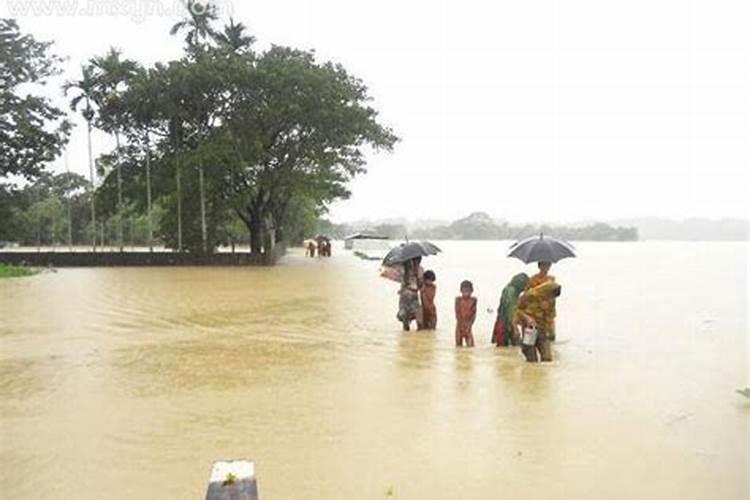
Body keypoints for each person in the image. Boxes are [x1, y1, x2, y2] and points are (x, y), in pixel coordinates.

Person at [513, 281, 561, 362]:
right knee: (531, 359)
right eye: (550, 296)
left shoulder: (552, 300)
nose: (550, 299)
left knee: (547, 359)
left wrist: (551, 329)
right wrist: (527, 318)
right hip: (529, 329)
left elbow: (551, 316)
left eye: (553, 297)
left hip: (543, 329)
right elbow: (517, 310)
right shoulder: (530, 295)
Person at [492, 273, 529, 346]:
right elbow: (511, 311)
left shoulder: (509, 289)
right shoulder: (512, 292)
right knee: (503, 348)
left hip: (503, 322)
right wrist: (515, 328)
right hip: (504, 323)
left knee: (506, 350)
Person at [527, 261, 557, 340]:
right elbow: (528, 295)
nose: (545, 268)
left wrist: (549, 304)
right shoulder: (532, 279)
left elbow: (554, 294)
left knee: (549, 337)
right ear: (539, 266)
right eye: (543, 265)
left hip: (548, 310)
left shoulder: (552, 279)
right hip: (536, 310)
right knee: (533, 337)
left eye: (547, 265)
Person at [397, 257, 423, 331]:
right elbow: (420, 285)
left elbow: (399, 279)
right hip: (411, 295)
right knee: (416, 319)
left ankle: (407, 337)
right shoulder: (418, 269)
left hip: (405, 295)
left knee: (408, 318)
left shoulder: (404, 269)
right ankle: (417, 337)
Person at [454, 280, 477, 347]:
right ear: (461, 291)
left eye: (468, 291)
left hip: (468, 326)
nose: (466, 293)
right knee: (458, 348)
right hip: (459, 327)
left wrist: (469, 325)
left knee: (471, 348)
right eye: (464, 291)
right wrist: (461, 326)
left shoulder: (474, 300)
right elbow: (457, 313)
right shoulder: (458, 300)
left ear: (471, 291)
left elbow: (474, 314)